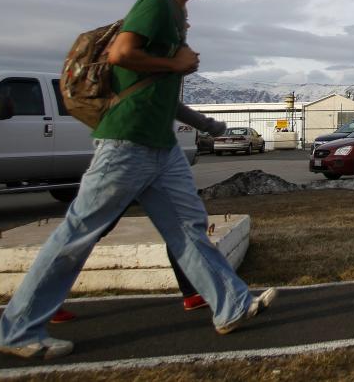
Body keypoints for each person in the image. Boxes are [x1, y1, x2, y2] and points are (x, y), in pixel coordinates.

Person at [0, 0, 276, 360]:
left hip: (160, 148)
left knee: (188, 229)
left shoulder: (176, 17)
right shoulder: (157, 5)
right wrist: (176, 64)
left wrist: (207, 124)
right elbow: (121, 53)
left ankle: (229, 305)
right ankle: (15, 330)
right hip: (126, 144)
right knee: (77, 235)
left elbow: (159, 93)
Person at [51, 104, 227, 324]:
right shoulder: (148, 71)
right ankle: (43, 301)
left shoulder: (160, 74)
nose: (194, 67)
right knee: (88, 231)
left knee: (182, 224)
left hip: (153, 158)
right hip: (128, 157)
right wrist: (210, 125)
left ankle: (194, 293)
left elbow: (169, 102)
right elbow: (168, 101)